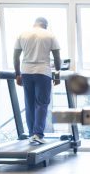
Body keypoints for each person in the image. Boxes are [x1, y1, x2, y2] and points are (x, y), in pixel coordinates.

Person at [13, 17, 61, 145]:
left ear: (34, 23)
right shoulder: (50, 35)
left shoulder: (22, 34)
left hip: (26, 72)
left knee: (30, 104)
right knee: (42, 103)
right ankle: (38, 134)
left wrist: (17, 74)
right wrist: (57, 74)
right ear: (45, 25)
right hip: (43, 72)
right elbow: (57, 58)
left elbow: (16, 57)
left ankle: (31, 134)